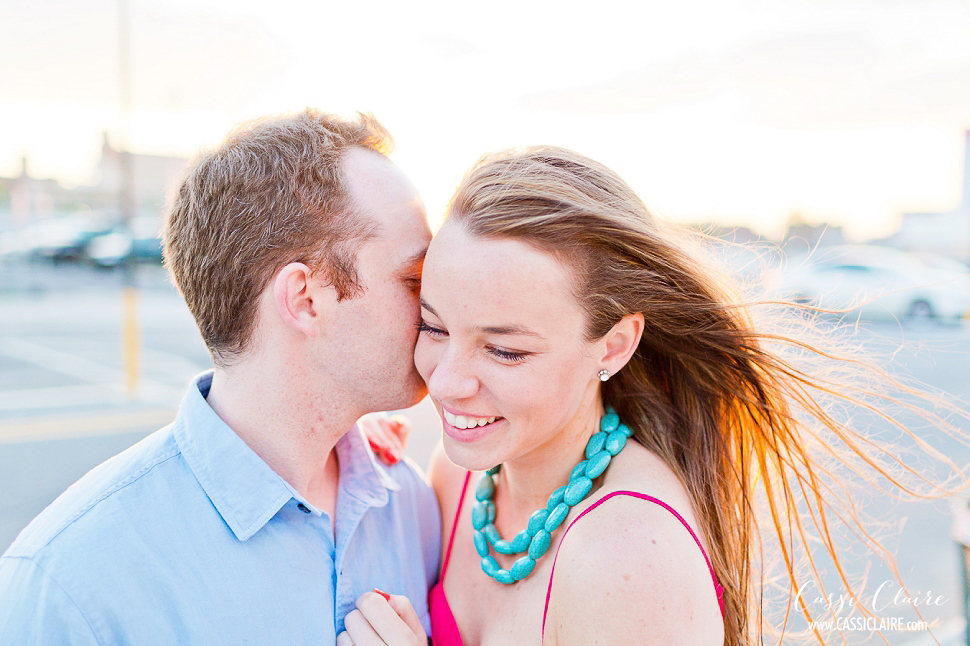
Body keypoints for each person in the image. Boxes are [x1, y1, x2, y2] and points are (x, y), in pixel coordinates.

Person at [343, 146, 966, 645]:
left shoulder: (630, 557)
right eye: (435, 327)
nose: (447, 381)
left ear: (612, 347)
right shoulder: (456, 478)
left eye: (506, 350)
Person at [0, 110, 441, 643]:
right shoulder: (69, 587)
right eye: (415, 278)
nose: (438, 307)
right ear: (306, 299)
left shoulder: (410, 505)